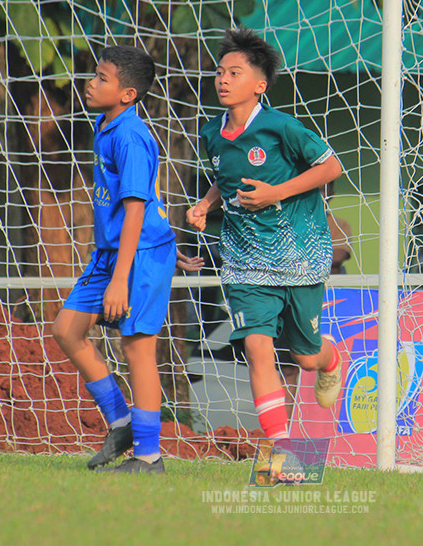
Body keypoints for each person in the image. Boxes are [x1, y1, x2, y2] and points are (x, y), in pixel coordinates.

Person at [186, 28, 345, 441]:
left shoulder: (281, 127)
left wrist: (276, 192)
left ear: (259, 85)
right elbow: (226, 177)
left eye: (234, 73)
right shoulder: (211, 133)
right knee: (257, 348)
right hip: (244, 260)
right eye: (219, 72)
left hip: (300, 257)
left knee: (305, 357)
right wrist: (206, 204)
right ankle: (279, 446)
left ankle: (329, 359)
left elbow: (331, 167)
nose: (222, 80)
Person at [51, 45, 201, 475]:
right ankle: (121, 423)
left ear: (128, 94)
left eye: (102, 78)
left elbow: (135, 210)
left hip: (139, 258)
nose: (90, 83)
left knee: (137, 348)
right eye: (94, 74)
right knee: (67, 329)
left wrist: (122, 279)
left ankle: (149, 456)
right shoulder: (106, 124)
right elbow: (144, 202)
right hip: (115, 252)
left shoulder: (131, 136)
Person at [324, 180, 354, 275]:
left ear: (331, 194)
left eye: (322, 190)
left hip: (333, 281)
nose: (317, 195)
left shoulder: (340, 225)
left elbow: (338, 256)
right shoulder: (293, 222)